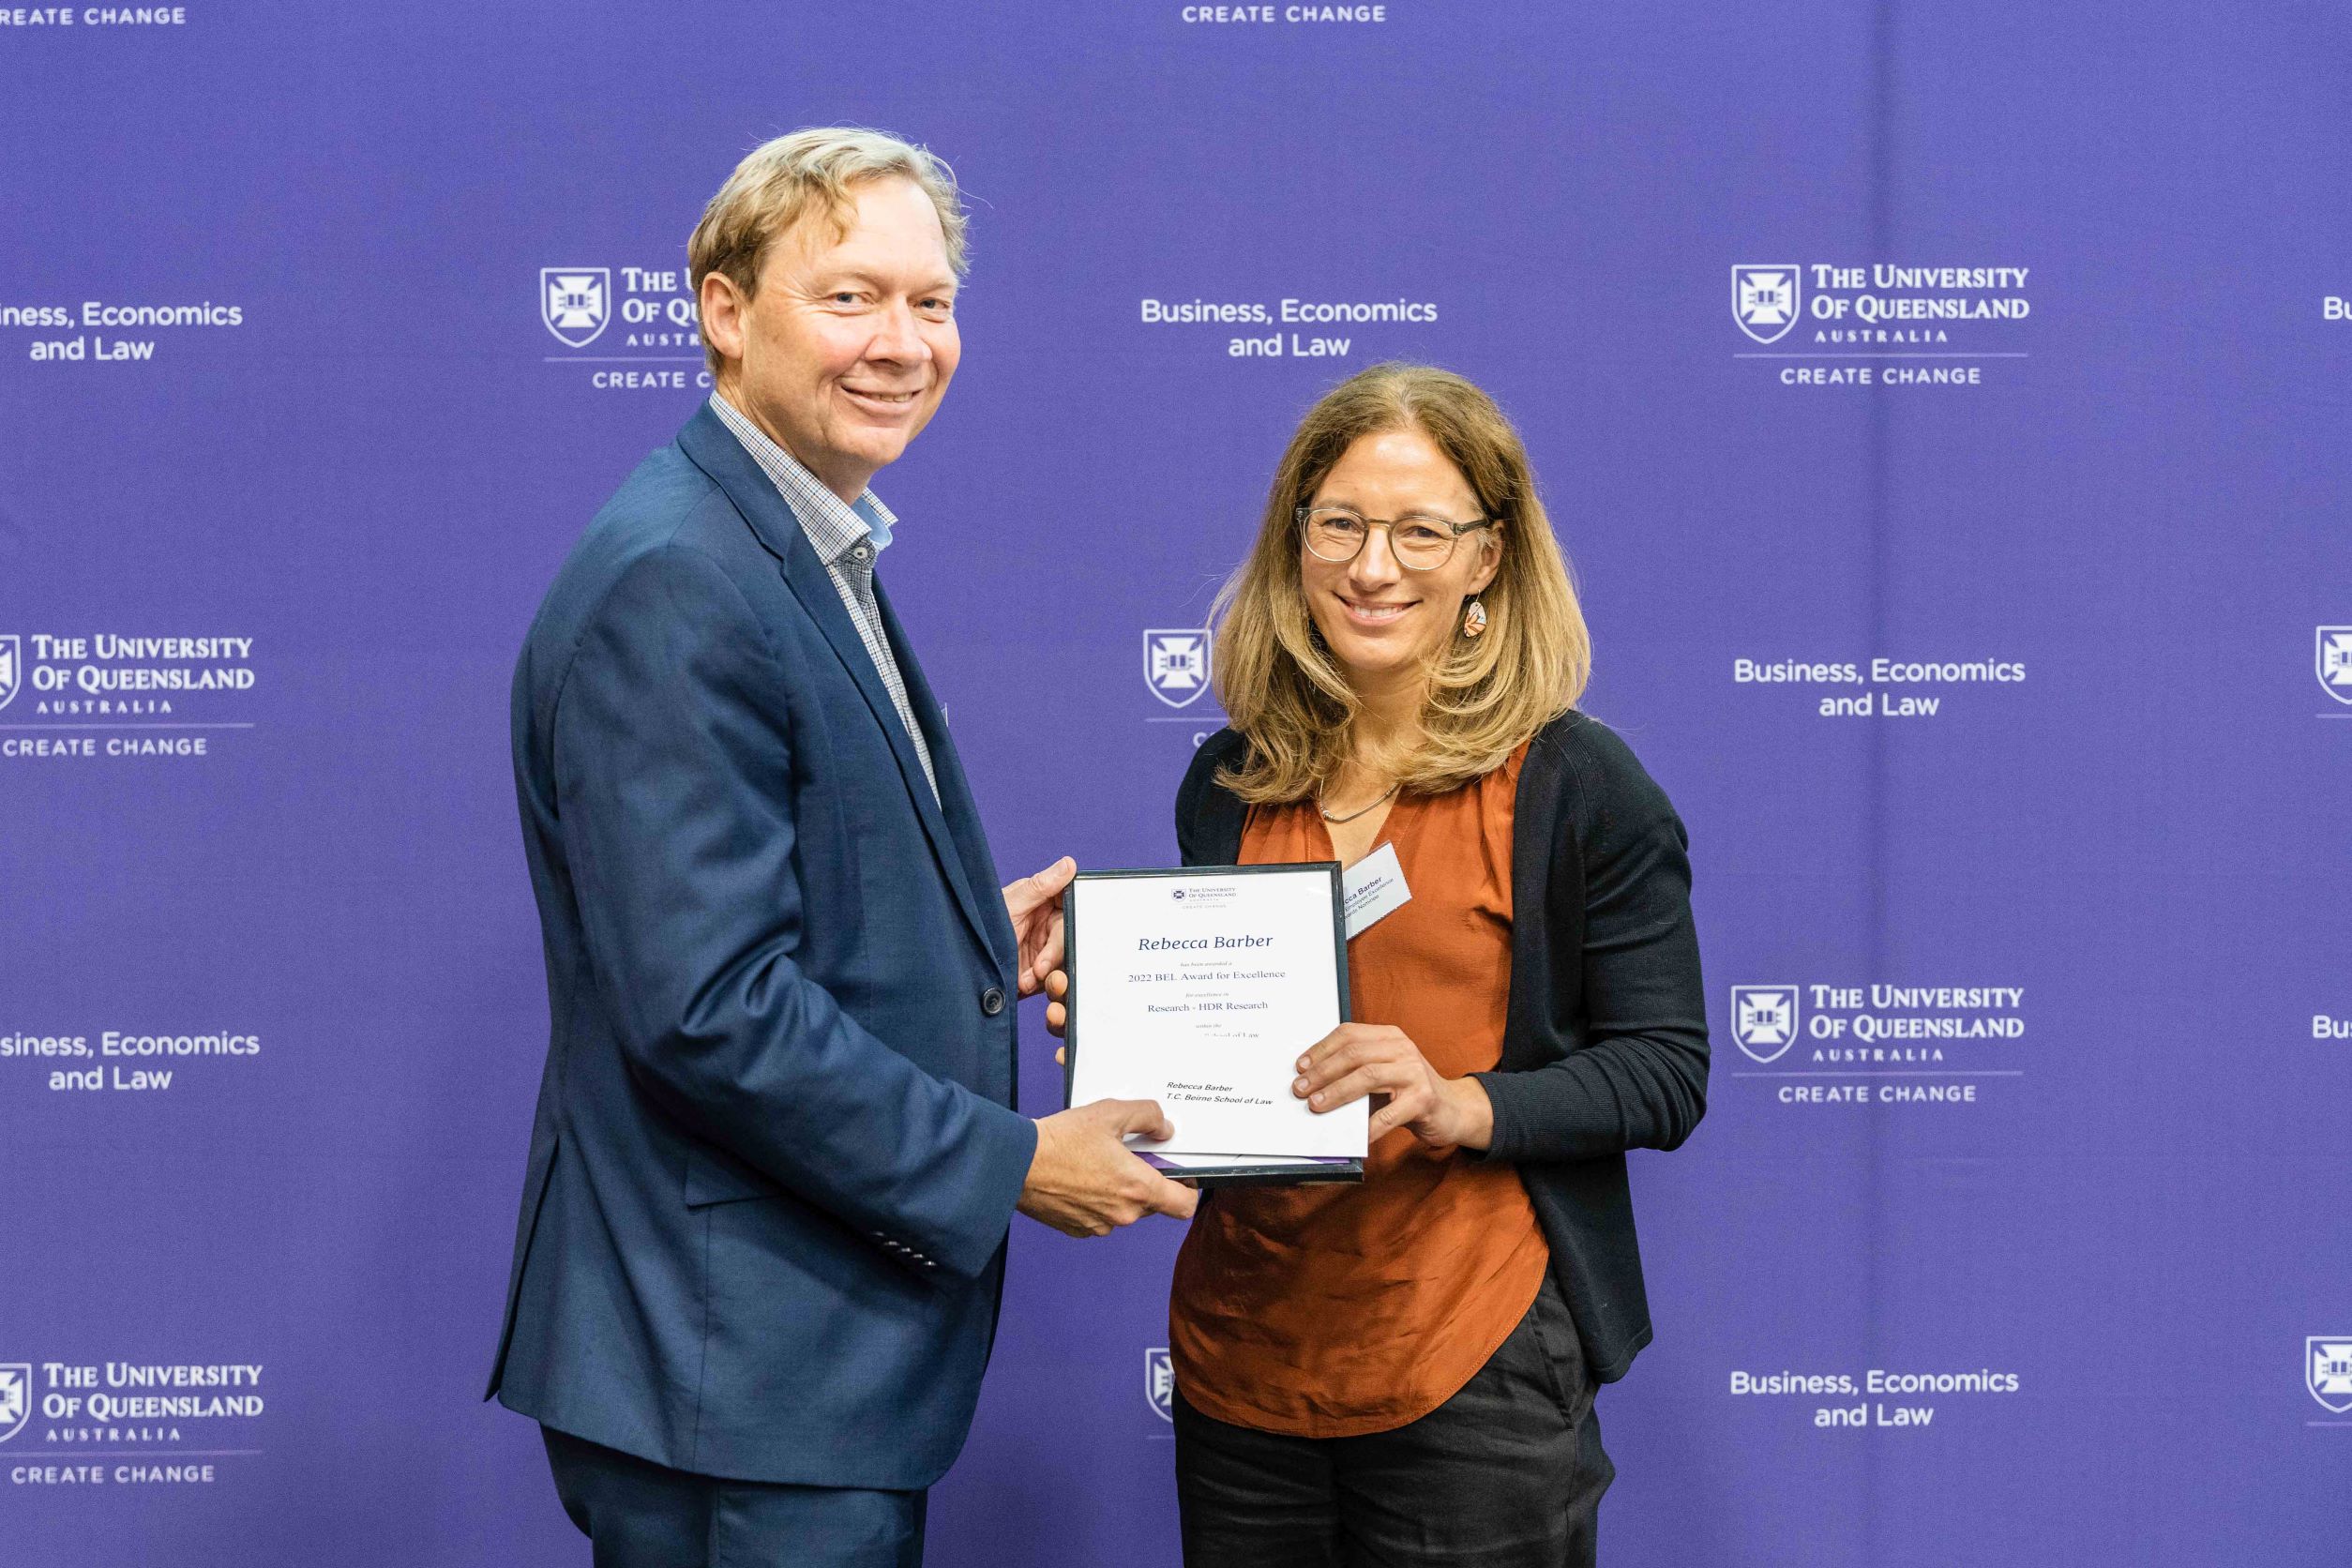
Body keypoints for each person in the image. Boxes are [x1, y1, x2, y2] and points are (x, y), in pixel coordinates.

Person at [487, 128, 1196, 1568]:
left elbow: (746, 920)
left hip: (780, 1373)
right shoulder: (682, 580)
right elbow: (707, 1010)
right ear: (724, 309)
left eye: (929, 302)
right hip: (736, 1374)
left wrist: (954, 948)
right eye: (851, 297)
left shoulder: (787, 541)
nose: (903, 343)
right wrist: (1008, 1163)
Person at [1057, 362, 1707, 1565]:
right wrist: (1113, 1020)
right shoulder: (1226, 777)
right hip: (1245, 1357)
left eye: (1421, 531)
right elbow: (1223, 1034)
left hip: (1472, 1358)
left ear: (1488, 559)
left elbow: (1666, 1072)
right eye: (1341, 524)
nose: (1372, 566)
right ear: (1295, 539)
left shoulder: (1577, 785)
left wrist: (1466, 1100)